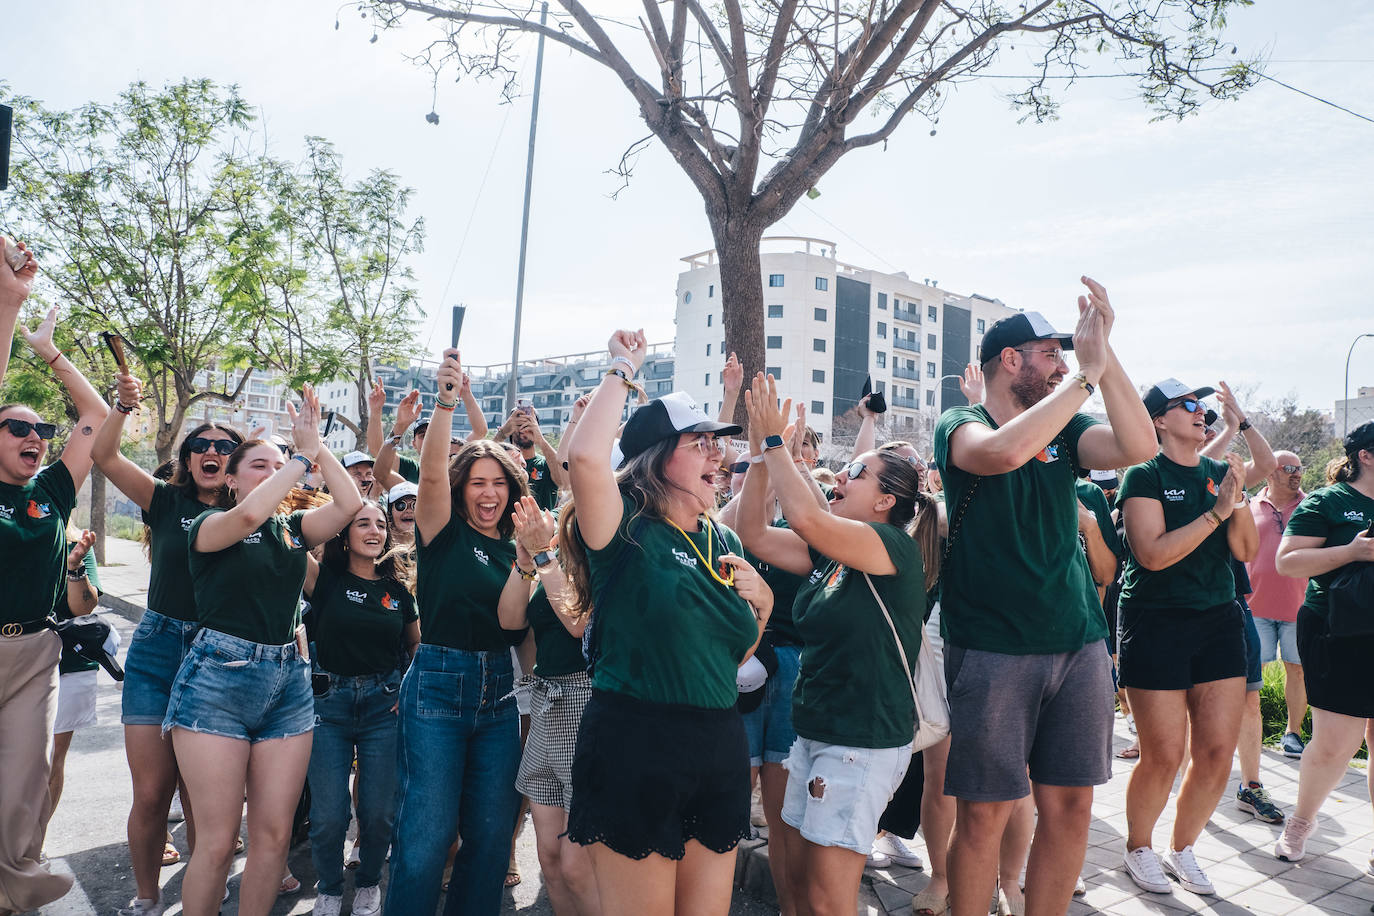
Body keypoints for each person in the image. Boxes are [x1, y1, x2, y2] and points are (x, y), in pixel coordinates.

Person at [933, 280, 1156, 916]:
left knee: (1072, 805)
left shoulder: (1072, 425)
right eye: (1050, 352)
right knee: (984, 817)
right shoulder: (963, 424)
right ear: (1011, 360)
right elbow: (1003, 453)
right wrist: (1082, 376)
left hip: (1079, 641)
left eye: (1066, 352)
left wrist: (1103, 358)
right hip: (994, 644)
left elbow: (1139, 447)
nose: (1061, 362)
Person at [562, 330, 770, 915]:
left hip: (718, 742)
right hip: (637, 741)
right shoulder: (623, 526)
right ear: (656, 457)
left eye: (717, 443)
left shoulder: (720, 536)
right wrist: (623, 366)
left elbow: (727, 651)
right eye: (699, 442)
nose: (717, 454)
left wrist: (766, 610)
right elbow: (583, 456)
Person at [738, 373, 937, 916]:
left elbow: (805, 516)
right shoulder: (833, 555)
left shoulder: (890, 546)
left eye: (857, 472)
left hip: (861, 741)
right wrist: (759, 456)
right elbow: (754, 534)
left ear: (885, 501)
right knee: (801, 887)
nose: (843, 475)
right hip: (816, 734)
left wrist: (777, 441)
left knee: (829, 899)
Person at [164, 386, 363, 916]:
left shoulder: (294, 531)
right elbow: (250, 517)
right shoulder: (209, 526)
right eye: (259, 465)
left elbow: (349, 505)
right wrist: (297, 458)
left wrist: (316, 450)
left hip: (288, 682)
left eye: (279, 464)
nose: (276, 471)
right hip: (216, 680)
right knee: (218, 840)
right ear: (231, 479)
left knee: (273, 838)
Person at [384, 349, 534, 916]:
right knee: (425, 841)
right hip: (438, 688)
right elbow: (426, 471)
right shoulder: (440, 531)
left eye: (499, 482)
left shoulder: (518, 547)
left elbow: (519, 627)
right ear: (459, 487)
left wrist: (532, 561)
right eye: (476, 482)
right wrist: (447, 400)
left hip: (501, 693)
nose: (488, 493)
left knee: (493, 841)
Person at [92, 369, 245, 916]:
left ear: (236, 460)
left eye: (224, 446)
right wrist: (121, 408)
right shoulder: (164, 501)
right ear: (186, 460)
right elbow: (106, 458)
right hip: (158, 650)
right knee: (153, 793)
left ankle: (205, 883)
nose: (211, 452)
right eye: (198, 446)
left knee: (204, 798)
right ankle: (147, 897)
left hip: (219, 657)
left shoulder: (252, 513)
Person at [1115, 379, 1258, 896]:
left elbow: (1244, 550)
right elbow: (1151, 554)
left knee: (1218, 751)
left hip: (1218, 619)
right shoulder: (1143, 475)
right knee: (1164, 753)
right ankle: (1138, 847)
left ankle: (1183, 848)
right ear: (1158, 420)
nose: (1202, 413)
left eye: (1202, 406)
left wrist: (1235, 502)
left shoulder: (1221, 473)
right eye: (1188, 405)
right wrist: (1216, 511)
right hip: (1156, 619)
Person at [0, 294, 108, 915]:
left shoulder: (52, 491)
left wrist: (52, 353)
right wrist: (11, 306)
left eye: (43, 431)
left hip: (37, 652)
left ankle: (15, 888)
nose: (36, 438)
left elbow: (93, 413)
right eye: (19, 427)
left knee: (24, 786)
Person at [302, 501, 419, 916]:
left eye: (381, 525)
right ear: (343, 533)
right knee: (330, 814)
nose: (374, 531)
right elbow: (291, 541)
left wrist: (407, 689)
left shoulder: (398, 591)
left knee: (379, 812)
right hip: (327, 705)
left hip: (384, 706)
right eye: (362, 524)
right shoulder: (324, 580)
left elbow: (415, 645)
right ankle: (330, 888)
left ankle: (369, 882)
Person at [1272, 422, 1374, 864]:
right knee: (1337, 742)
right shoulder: (1329, 501)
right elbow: (1288, 562)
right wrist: (1350, 552)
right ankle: (1300, 822)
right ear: (1366, 455)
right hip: (1339, 630)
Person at [497, 497, 600, 915]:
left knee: (579, 864)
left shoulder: (606, 566)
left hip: (586, 702)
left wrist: (542, 556)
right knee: (549, 856)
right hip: (545, 703)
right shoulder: (551, 568)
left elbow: (577, 623)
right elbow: (509, 621)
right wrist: (525, 563)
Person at [1247, 451, 1310, 760]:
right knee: (1251, 674)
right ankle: (1250, 732)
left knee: (1297, 671)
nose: (1295, 473)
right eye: (1288, 468)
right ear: (1270, 472)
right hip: (1255, 606)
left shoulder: (1312, 506)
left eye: (1299, 468)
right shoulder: (1250, 506)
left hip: (1300, 607)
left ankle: (1293, 733)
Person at [48, 527, 101, 818]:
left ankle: (34, 842)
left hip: (67, 665)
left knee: (50, 760)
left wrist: (74, 566)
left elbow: (83, 608)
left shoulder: (75, 543)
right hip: (15, 658)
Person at [368, 376, 486, 488]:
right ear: (414, 444)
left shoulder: (457, 459)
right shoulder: (411, 469)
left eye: (433, 434)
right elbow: (378, 452)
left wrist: (466, 392)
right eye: (423, 435)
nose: (429, 439)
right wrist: (377, 412)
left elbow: (480, 431)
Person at [495, 406, 568, 511]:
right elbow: (482, 461)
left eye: (528, 424)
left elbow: (563, 480)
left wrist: (541, 440)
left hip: (541, 524)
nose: (523, 430)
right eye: (519, 424)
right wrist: (502, 433)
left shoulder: (545, 463)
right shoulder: (502, 463)